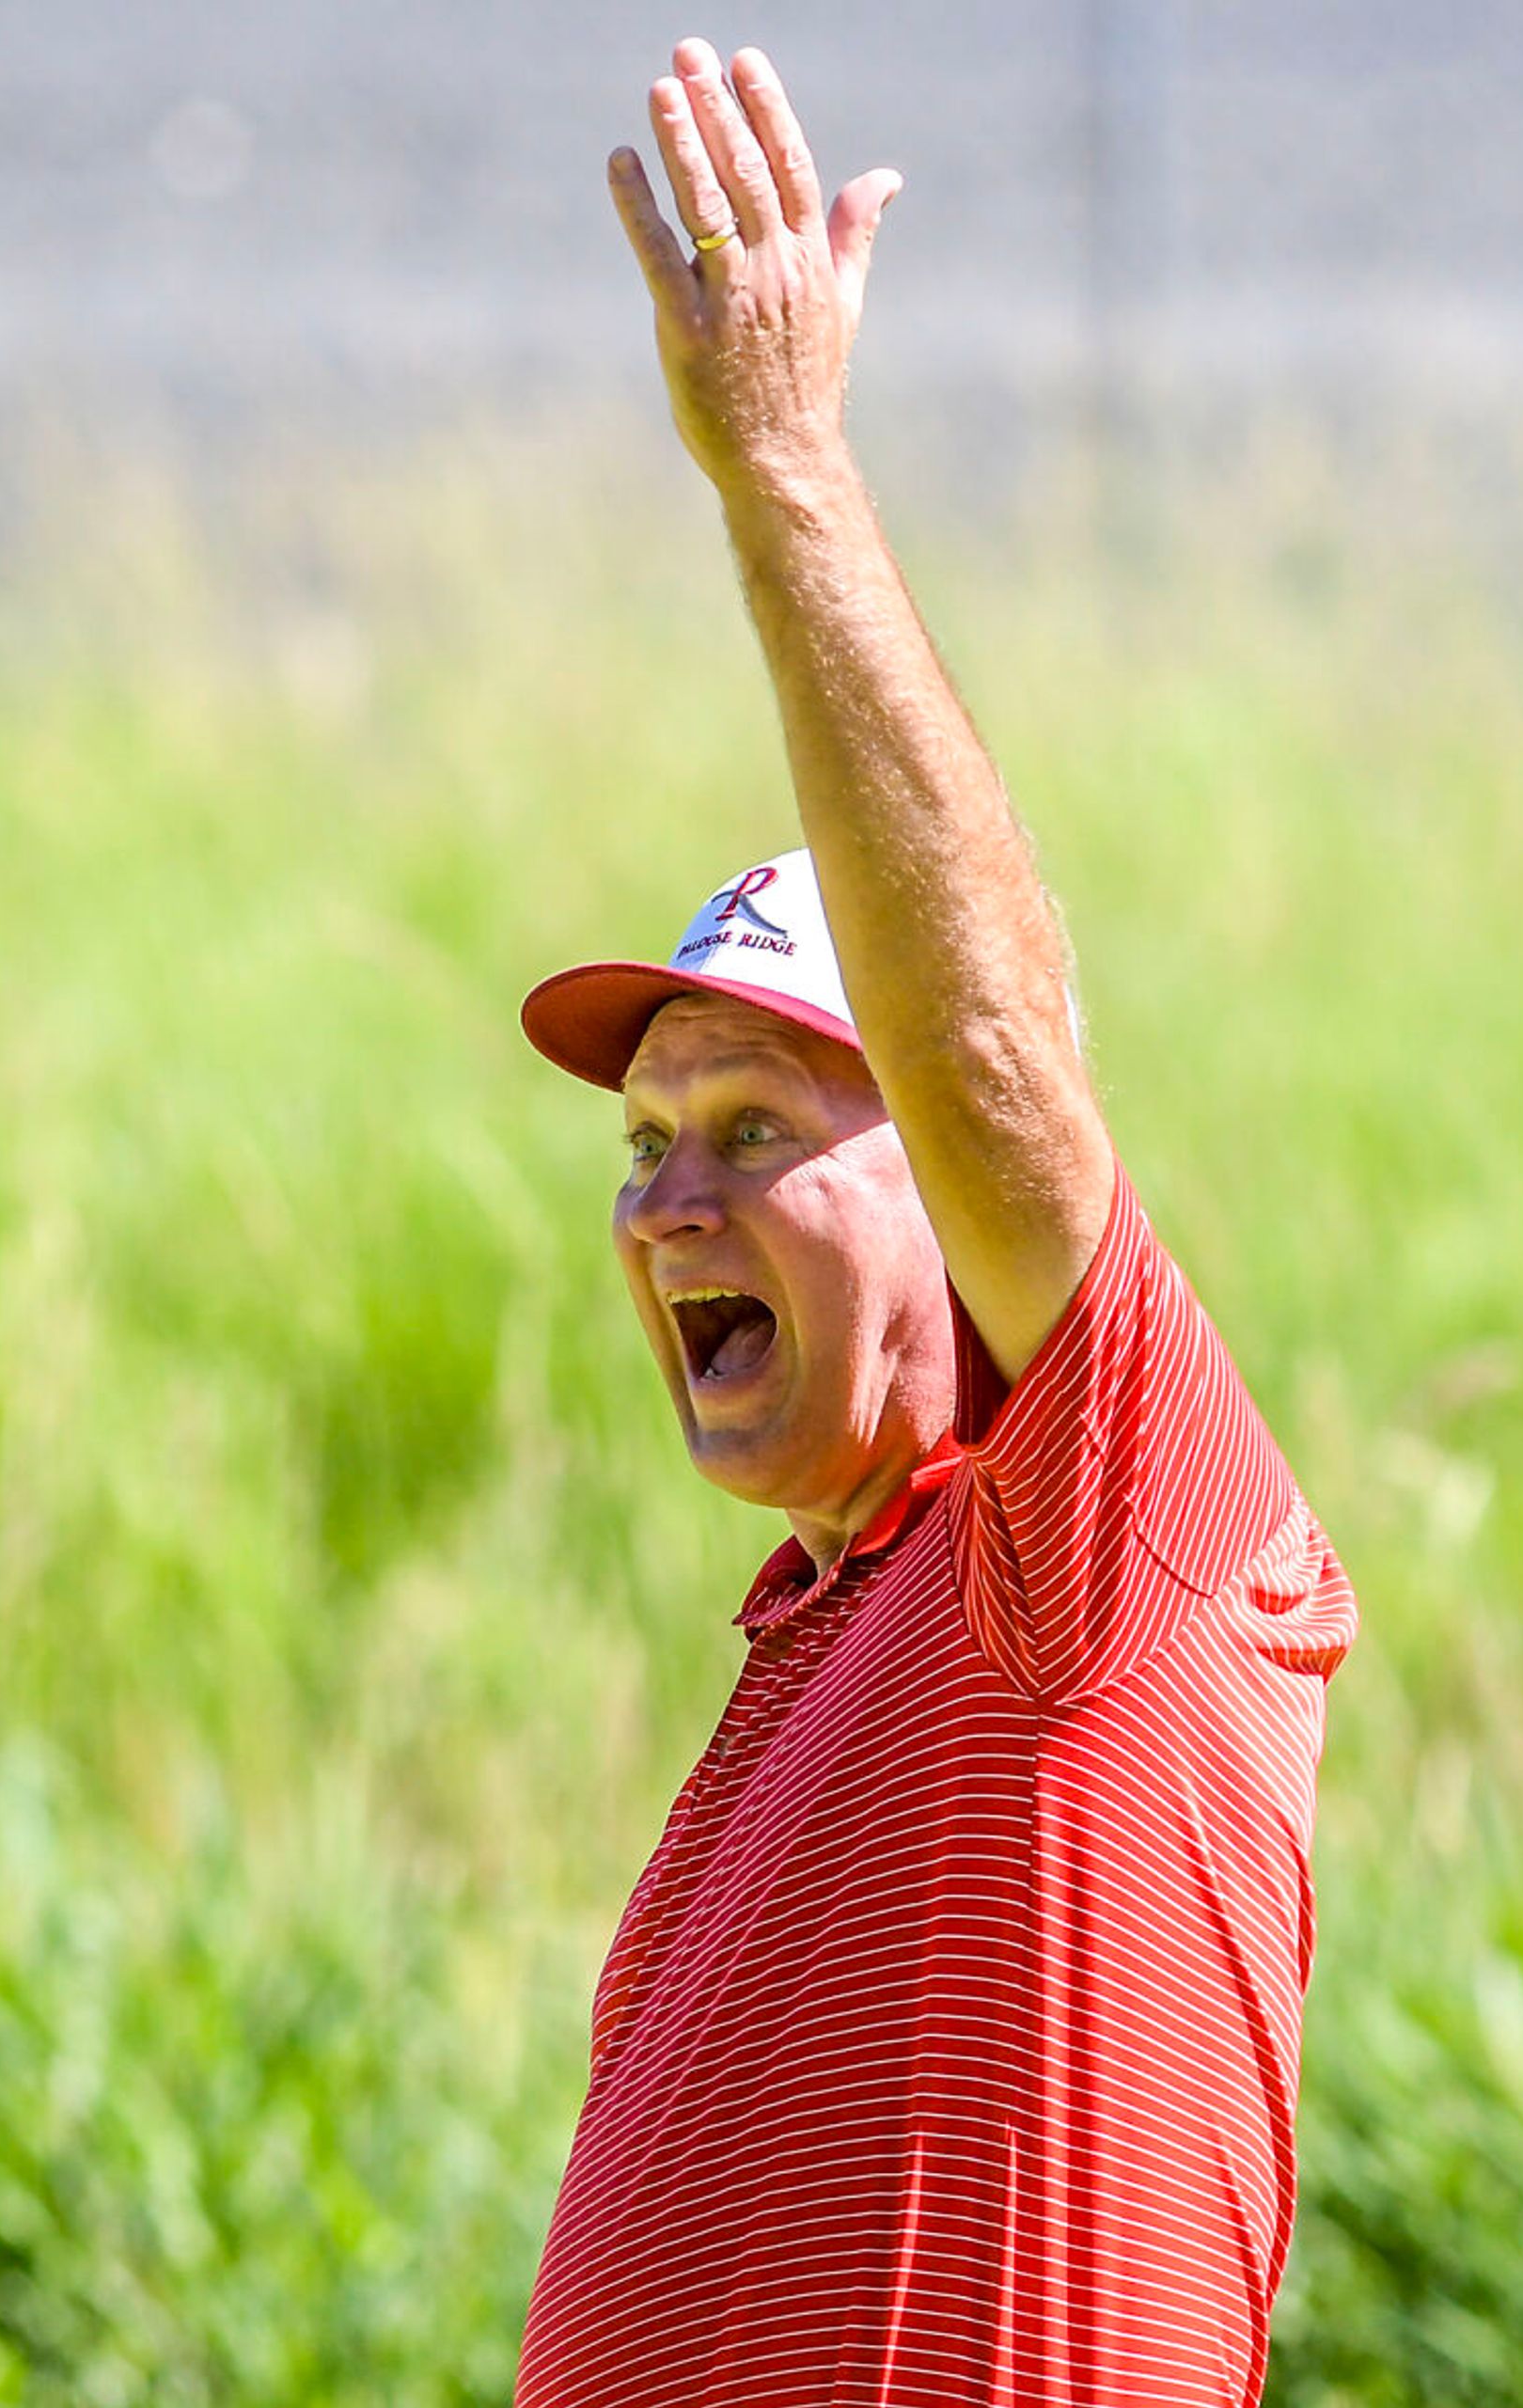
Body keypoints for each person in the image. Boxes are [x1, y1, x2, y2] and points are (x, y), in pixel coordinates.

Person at [507, 39, 1358, 2405]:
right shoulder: (814, 1648)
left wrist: (778, 466)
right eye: (643, 1135)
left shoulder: (1106, 1544)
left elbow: (991, 1071)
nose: (666, 1192)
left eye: (759, 1123)